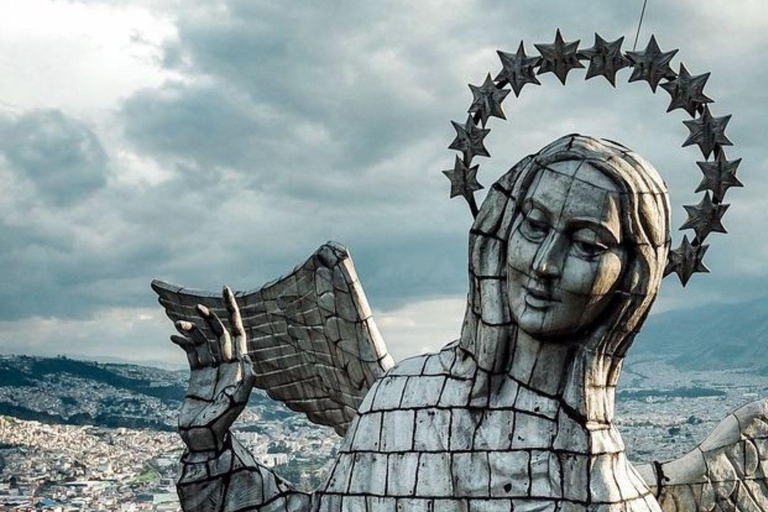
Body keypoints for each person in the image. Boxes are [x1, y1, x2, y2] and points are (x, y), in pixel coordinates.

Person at [169, 134, 672, 511]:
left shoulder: (610, 491)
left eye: (587, 244)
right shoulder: (401, 398)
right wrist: (210, 448)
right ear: (499, 233)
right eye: (534, 226)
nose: (544, 263)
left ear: (632, 277)